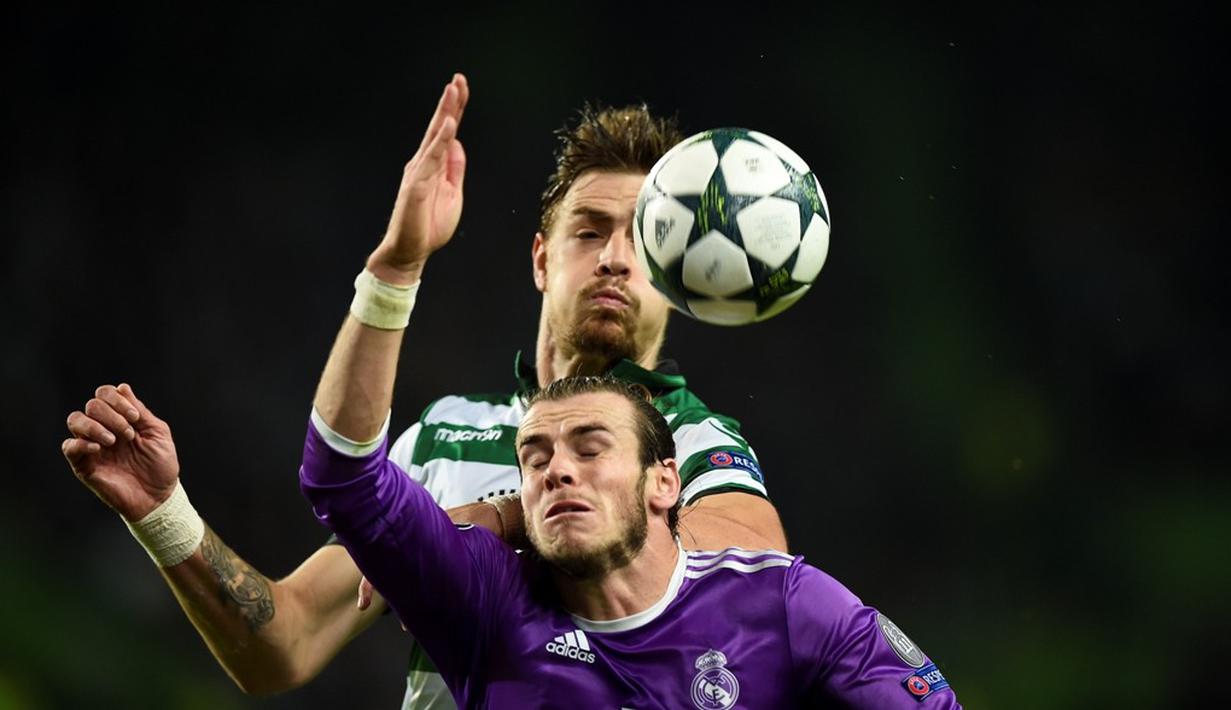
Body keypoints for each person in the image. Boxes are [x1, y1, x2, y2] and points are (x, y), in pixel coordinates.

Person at [61, 73, 785, 708]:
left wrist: (498, 521)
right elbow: (283, 643)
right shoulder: (445, 437)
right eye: (588, 233)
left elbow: (751, 572)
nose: (615, 260)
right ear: (540, 259)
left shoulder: (691, 438)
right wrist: (164, 516)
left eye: (643, 238)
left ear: (676, 273)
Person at [300, 374, 960, 707]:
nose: (557, 468)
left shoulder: (784, 607)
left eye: (590, 448)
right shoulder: (486, 598)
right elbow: (343, 479)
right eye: (533, 457)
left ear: (664, 483)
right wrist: (394, 273)